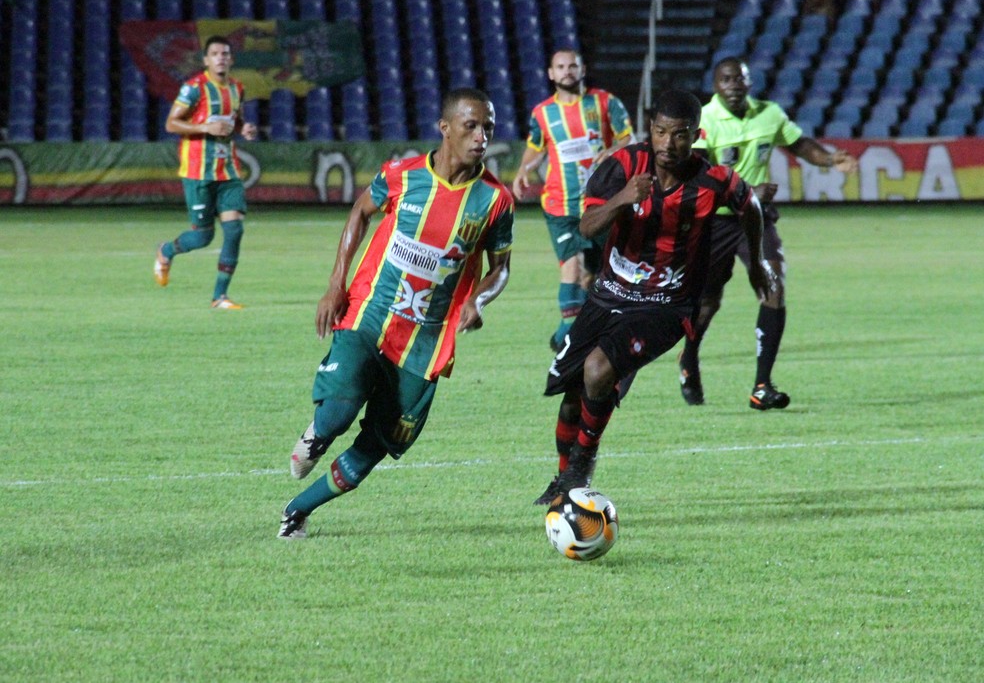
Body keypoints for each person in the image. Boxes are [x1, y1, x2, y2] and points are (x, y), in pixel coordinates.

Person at [278, 88, 514, 539]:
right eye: (472, 126)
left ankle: (297, 512)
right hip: (369, 313)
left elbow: (501, 268)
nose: (482, 136)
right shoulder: (402, 175)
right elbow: (359, 213)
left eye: (489, 127)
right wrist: (335, 284)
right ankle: (316, 434)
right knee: (338, 415)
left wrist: (477, 300)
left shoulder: (494, 201)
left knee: (378, 444)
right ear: (445, 128)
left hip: (427, 342)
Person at [534, 89, 774, 504]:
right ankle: (562, 486)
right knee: (574, 394)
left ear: (696, 134)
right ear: (650, 129)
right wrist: (625, 198)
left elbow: (749, 204)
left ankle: (580, 471)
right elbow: (587, 226)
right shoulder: (622, 166)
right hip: (607, 297)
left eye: (680, 135)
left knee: (597, 369)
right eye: (661, 132)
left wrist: (757, 263)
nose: (668, 144)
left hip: (666, 306)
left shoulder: (713, 180)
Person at [676, 58, 859, 410]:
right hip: (713, 220)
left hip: (754, 218)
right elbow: (694, 178)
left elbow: (799, 143)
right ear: (715, 84)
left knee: (774, 285)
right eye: (726, 79)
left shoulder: (769, 113)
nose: (733, 85)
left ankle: (762, 385)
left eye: (739, 79)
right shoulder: (705, 121)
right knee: (708, 303)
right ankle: (689, 358)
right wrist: (744, 191)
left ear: (749, 82)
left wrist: (830, 159)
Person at [511, 49, 633, 354]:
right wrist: (523, 169)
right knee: (573, 265)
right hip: (559, 204)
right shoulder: (542, 113)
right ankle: (566, 336)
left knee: (593, 272)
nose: (567, 71)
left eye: (572, 65)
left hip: (599, 204)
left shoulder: (605, 102)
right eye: (561, 67)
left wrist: (615, 150)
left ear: (582, 69)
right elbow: (535, 147)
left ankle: (576, 330)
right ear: (551, 74)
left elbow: (627, 137)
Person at [153, 35, 258, 309]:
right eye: (215, 53)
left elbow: (235, 121)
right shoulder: (194, 88)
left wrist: (243, 129)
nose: (221, 57)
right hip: (198, 172)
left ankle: (219, 297)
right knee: (203, 237)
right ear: (206, 60)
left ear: (231, 59)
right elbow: (171, 124)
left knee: (234, 230)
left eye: (225, 53)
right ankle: (166, 251)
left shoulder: (237, 88)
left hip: (228, 170)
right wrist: (205, 128)